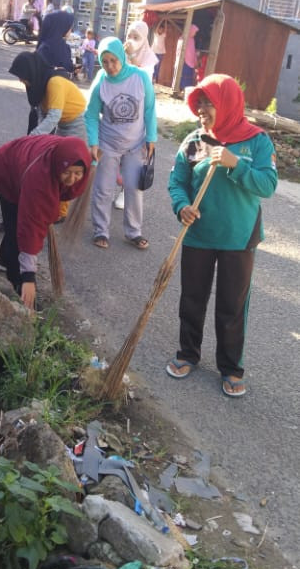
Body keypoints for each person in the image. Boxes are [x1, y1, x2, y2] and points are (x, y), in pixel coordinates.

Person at [167, 73, 278, 397]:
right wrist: (182, 206)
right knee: (192, 299)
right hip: (199, 234)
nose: (201, 109)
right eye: (198, 103)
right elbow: (177, 182)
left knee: (232, 306)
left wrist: (235, 164)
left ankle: (231, 368)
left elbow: (268, 185)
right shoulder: (193, 142)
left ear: (227, 103)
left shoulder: (257, 141)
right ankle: (188, 354)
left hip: (239, 238)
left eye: (208, 103)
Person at [0, 135, 91, 310]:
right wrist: (29, 277)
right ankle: (17, 285)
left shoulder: (64, 159)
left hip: (25, 161)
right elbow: (29, 227)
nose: (72, 179)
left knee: (19, 226)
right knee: (16, 227)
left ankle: (5, 260)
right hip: (6, 168)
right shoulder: (39, 179)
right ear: (58, 165)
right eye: (66, 172)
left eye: (78, 173)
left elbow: (59, 193)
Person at [84, 36, 157, 250]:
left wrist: (151, 137)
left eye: (113, 61)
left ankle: (133, 232)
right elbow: (90, 115)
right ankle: (101, 230)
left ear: (122, 58)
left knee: (134, 189)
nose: (110, 67)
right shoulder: (101, 82)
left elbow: (150, 109)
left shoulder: (140, 77)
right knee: (103, 189)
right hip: (108, 144)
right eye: (105, 62)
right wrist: (93, 142)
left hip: (136, 145)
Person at [112, 20, 159, 210]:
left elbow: (142, 80)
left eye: (136, 37)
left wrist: (130, 60)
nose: (131, 40)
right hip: (118, 110)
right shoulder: (120, 55)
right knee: (116, 154)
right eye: (129, 36)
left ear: (145, 39)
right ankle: (114, 186)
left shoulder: (149, 59)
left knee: (133, 156)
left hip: (138, 116)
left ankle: (126, 191)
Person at [9, 51, 86, 140]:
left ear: (30, 72)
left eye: (22, 76)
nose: (20, 80)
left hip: (78, 123)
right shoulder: (39, 85)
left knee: (70, 152)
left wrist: (32, 137)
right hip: (62, 123)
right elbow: (42, 114)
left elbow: (54, 116)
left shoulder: (54, 82)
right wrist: (37, 137)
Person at [37, 9, 75, 74]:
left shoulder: (44, 45)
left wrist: (74, 69)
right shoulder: (47, 48)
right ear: (62, 26)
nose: (71, 30)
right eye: (69, 26)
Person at [173, 23, 199, 92]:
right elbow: (179, 51)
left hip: (190, 62)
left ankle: (185, 91)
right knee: (182, 76)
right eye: (194, 32)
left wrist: (195, 60)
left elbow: (192, 52)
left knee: (188, 77)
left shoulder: (192, 40)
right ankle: (179, 90)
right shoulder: (183, 38)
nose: (195, 34)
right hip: (183, 61)